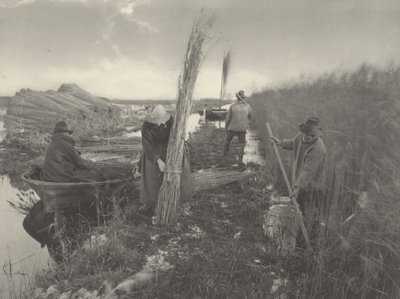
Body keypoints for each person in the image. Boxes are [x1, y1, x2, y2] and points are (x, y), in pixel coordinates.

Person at [271, 117, 327, 243]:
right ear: (304, 132)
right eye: (308, 135)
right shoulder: (300, 136)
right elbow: (294, 143)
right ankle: (303, 242)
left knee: (310, 217)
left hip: (313, 187)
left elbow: (309, 171)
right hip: (300, 184)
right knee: (302, 212)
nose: (310, 138)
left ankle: (306, 245)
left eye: (313, 136)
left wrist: (297, 188)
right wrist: (280, 142)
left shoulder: (318, 149)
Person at [139, 105, 194, 216]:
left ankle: (182, 200)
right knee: (152, 176)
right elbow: (148, 146)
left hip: (172, 148)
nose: (159, 123)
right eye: (156, 121)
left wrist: (183, 136)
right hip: (154, 151)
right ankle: (150, 202)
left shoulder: (171, 120)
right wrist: (158, 160)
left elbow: (180, 132)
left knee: (180, 172)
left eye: (161, 120)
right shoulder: (146, 127)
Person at [223, 90, 253, 167]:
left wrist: (226, 127)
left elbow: (228, 118)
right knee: (241, 143)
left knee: (227, 140)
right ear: (243, 98)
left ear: (237, 98)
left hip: (232, 127)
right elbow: (250, 117)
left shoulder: (232, 106)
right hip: (242, 128)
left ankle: (224, 155)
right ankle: (240, 160)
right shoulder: (248, 106)